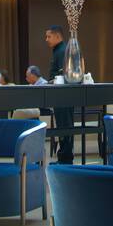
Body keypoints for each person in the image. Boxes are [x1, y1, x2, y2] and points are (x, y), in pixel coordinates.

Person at [46, 25, 73, 164]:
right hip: (60, 95)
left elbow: (62, 74)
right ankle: (64, 156)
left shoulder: (62, 51)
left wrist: (51, 81)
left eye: (49, 36)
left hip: (63, 95)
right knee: (63, 126)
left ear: (58, 36)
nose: (47, 39)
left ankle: (65, 157)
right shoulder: (59, 50)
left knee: (64, 126)